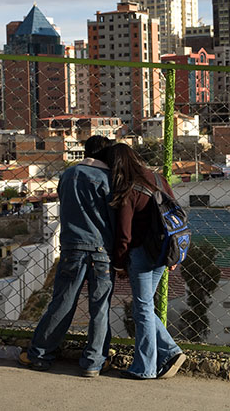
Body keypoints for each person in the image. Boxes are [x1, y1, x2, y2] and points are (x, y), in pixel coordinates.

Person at [18, 135, 115, 377]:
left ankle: (39, 354)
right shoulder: (109, 179)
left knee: (62, 302)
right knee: (100, 307)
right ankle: (93, 362)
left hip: (72, 246)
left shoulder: (68, 175)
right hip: (102, 250)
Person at [104, 143, 185, 380]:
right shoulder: (158, 179)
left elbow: (124, 234)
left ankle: (146, 368)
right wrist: (174, 253)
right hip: (162, 252)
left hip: (140, 254)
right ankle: (169, 352)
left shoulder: (127, 188)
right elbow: (174, 216)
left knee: (142, 309)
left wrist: (119, 263)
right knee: (145, 307)